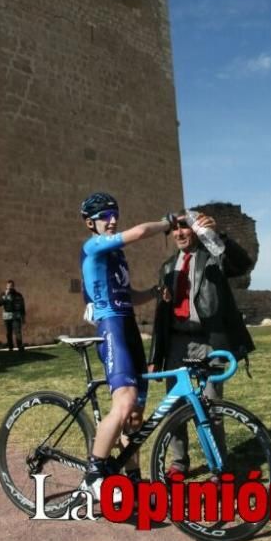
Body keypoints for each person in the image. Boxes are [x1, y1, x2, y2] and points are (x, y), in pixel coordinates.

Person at [78, 192, 173, 497]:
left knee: (135, 417)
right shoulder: (93, 245)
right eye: (106, 215)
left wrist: (155, 292)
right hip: (112, 327)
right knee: (124, 403)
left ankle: (132, 478)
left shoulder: (117, 256)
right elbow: (141, 232)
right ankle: (93, 475)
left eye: (115, 214)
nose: (113, 220)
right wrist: (166, 223)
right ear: (90, 222)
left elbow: (129, 295)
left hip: (128, 325)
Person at [148, 211, 255, 478]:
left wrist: (220, 237)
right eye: (175, 229)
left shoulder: (214, 257)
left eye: (185, 228)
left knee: (212, 407)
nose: (180, 233)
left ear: (196, 230)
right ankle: (179, 463)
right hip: (177, 344)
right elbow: (161, 315)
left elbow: (242, 265)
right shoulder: (166, 267)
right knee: (175, 406)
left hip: (209, 341)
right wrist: (155, 355)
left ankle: (219, 468)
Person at [0, 280, 26, 352]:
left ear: (13, 286)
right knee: (8, 332)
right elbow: (0, 303)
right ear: (6, 286)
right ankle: (10, 347)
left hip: (16, 316)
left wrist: (23, 317)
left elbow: (22, 306)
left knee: (17, 332)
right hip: (7, 316)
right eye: (8, 286)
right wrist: (5, 296)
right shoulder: (3, 294)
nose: (10, 287)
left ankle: (20, 346)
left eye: (11, 286)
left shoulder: (18, 295)